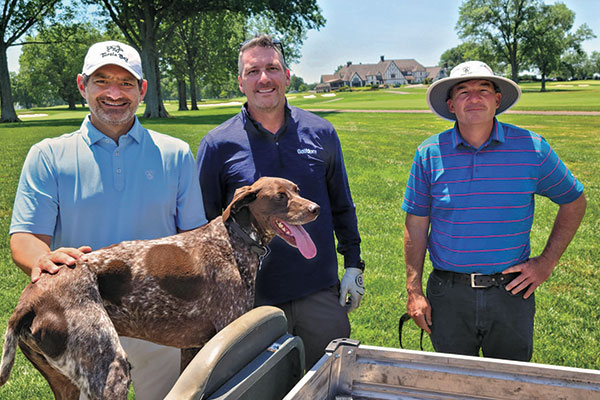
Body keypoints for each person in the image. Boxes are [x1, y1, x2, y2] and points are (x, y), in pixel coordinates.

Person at [9, 40, 207, 399]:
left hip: (158, 316)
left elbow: (193, 239)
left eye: (126, 83)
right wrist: (41, 258)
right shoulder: (48, 155)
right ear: (83, 85)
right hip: (81, 318)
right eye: (102, 81)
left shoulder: (175, 154)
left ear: (142, 90)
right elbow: (25, 237)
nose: (114, 93)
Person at [196, 34, 364, 368]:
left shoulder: (321, 133)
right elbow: (204, 224)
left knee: (330, 379)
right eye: (253, 70)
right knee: (260, 387)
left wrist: (354, 265)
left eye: (272, 68)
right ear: (241, 81)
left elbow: (341, 204)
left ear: (287, 76)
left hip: (318, 289)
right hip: (251, 298)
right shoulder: (217, 145)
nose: (264, 78)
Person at [401, 61, 586, 361]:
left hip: (511, 293)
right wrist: (414, 290)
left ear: (497, 100)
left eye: (483, 90)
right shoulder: (429, 153)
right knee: (453, 383)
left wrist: (546, 262)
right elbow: (416, 225)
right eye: (463, 91)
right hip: (448, 294)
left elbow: (574, 200)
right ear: (450, 104)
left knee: (510, 383)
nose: (474, 98)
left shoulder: (532, 148)